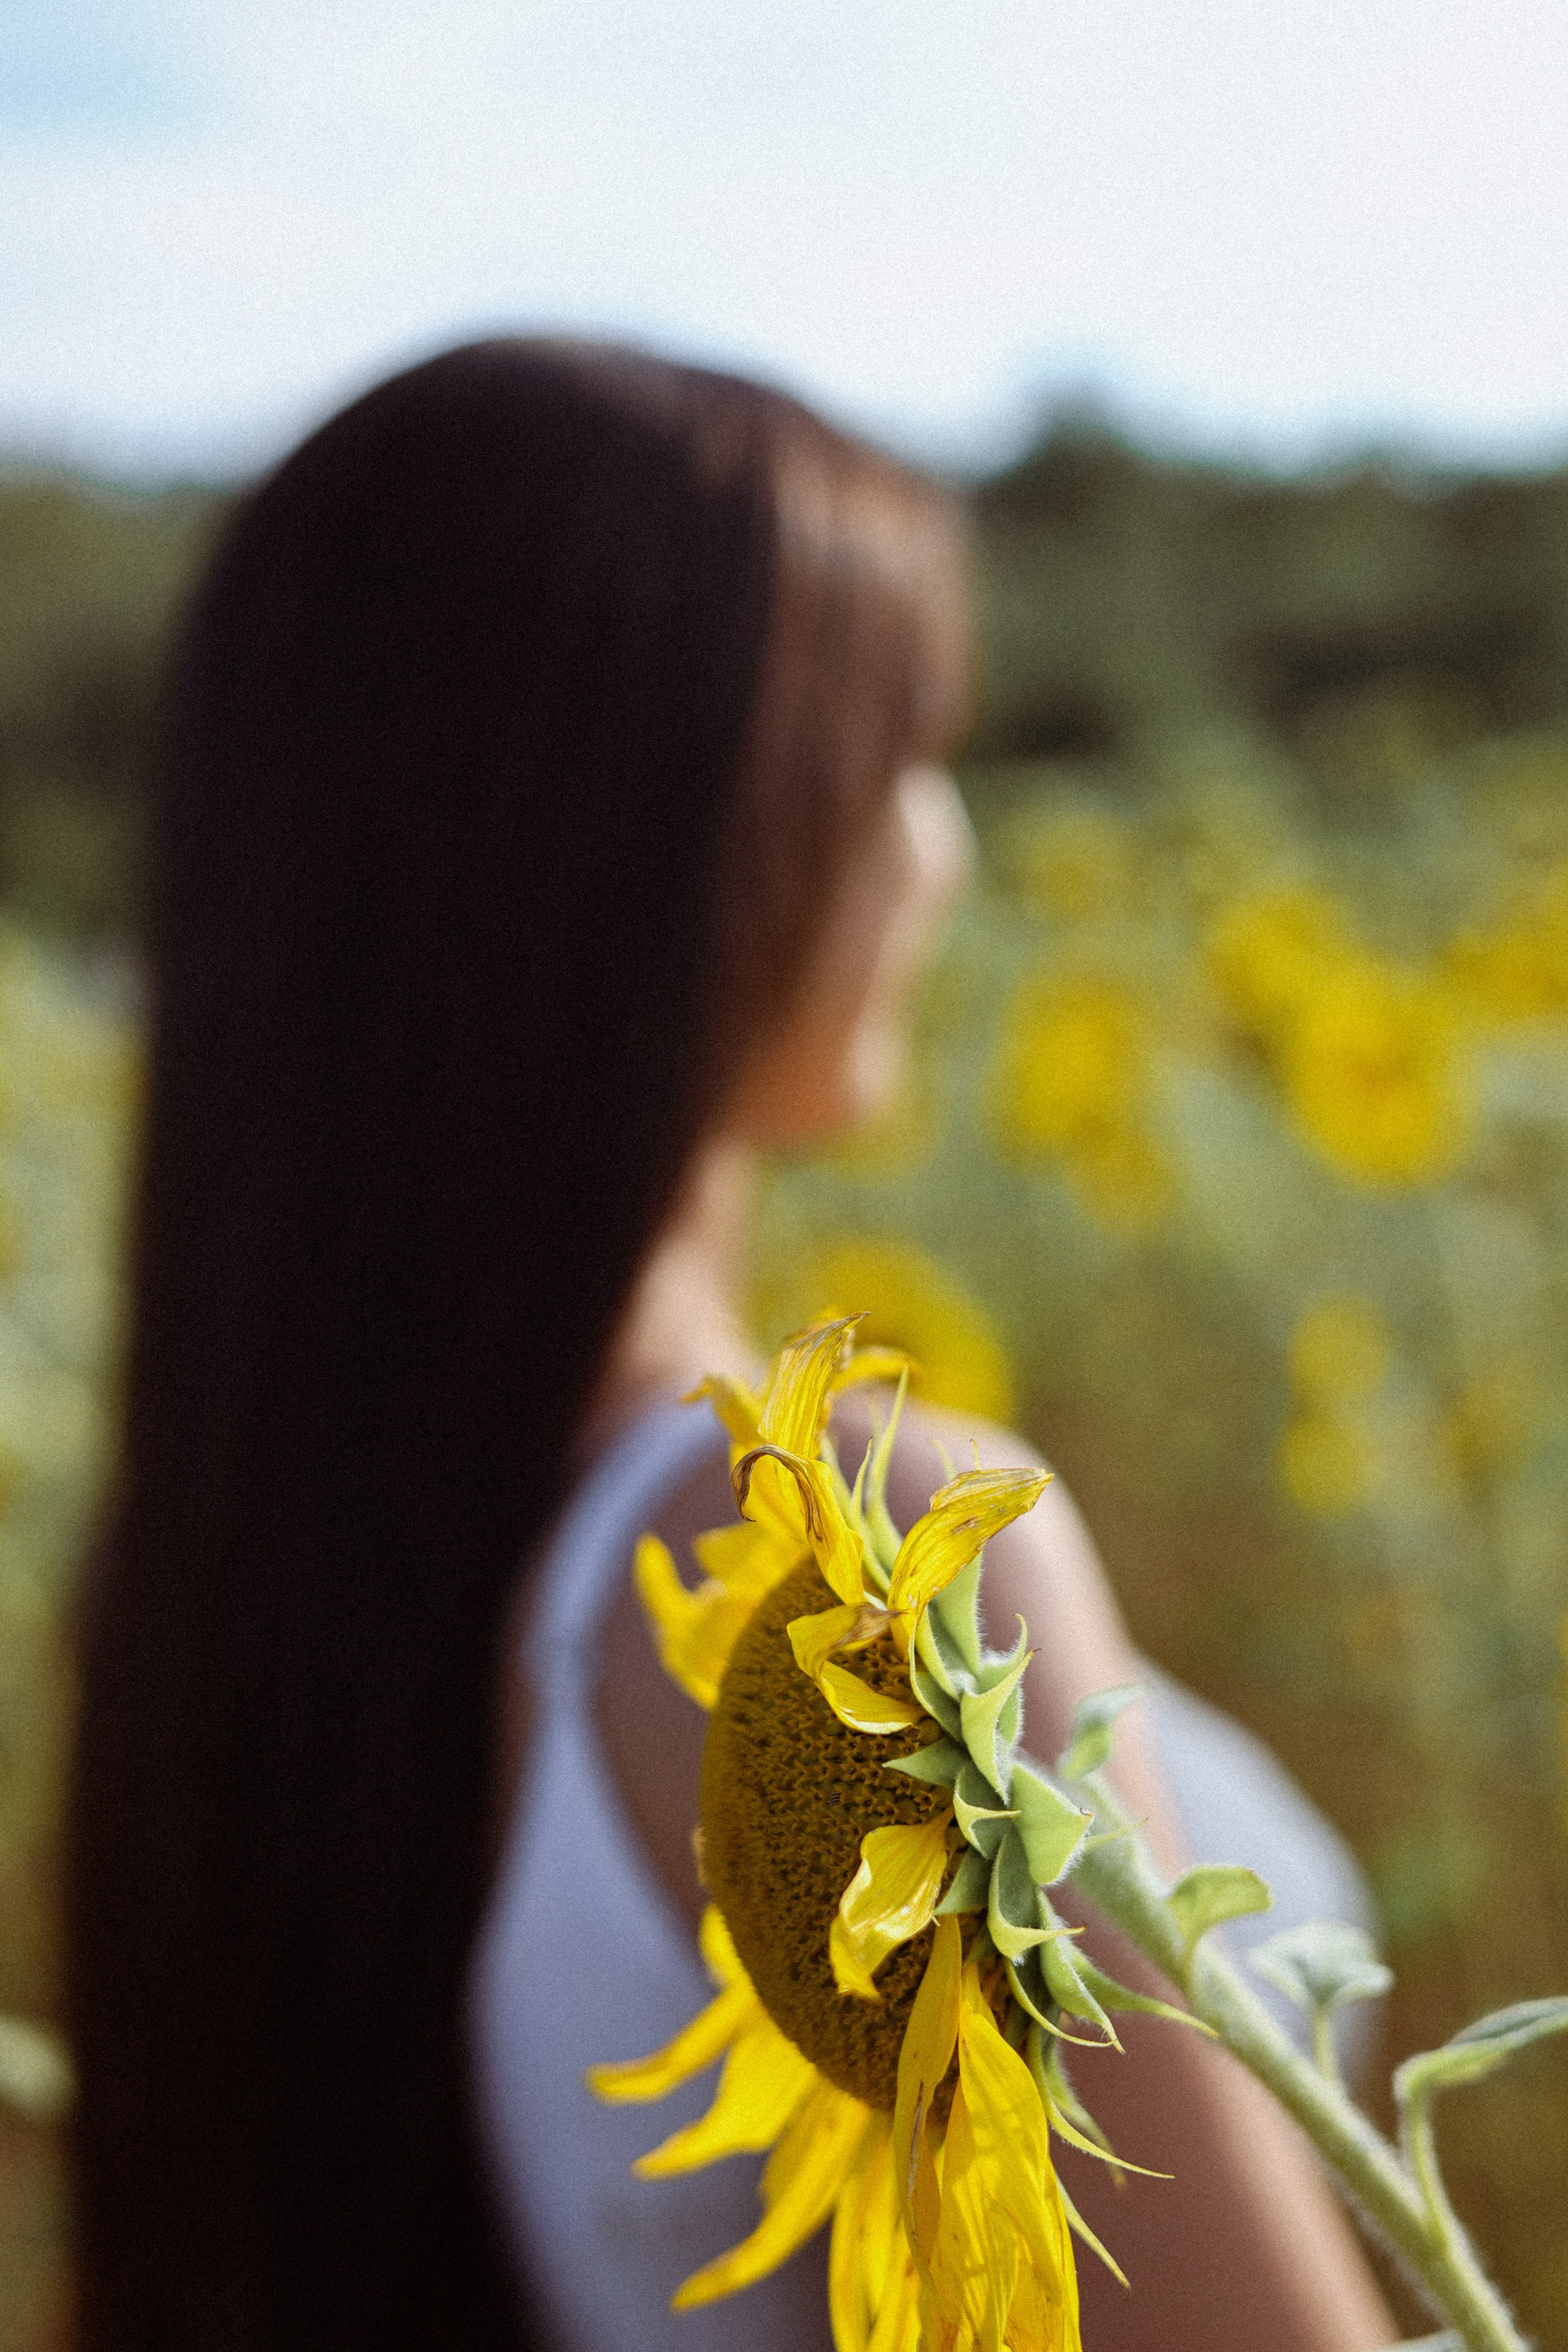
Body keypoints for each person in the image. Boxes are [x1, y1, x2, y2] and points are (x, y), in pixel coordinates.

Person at [67, 339, 1396, 2351]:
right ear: (657, 847)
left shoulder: (231, 1567)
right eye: (897, 757)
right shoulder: (840, 1572)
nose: (941, 849)